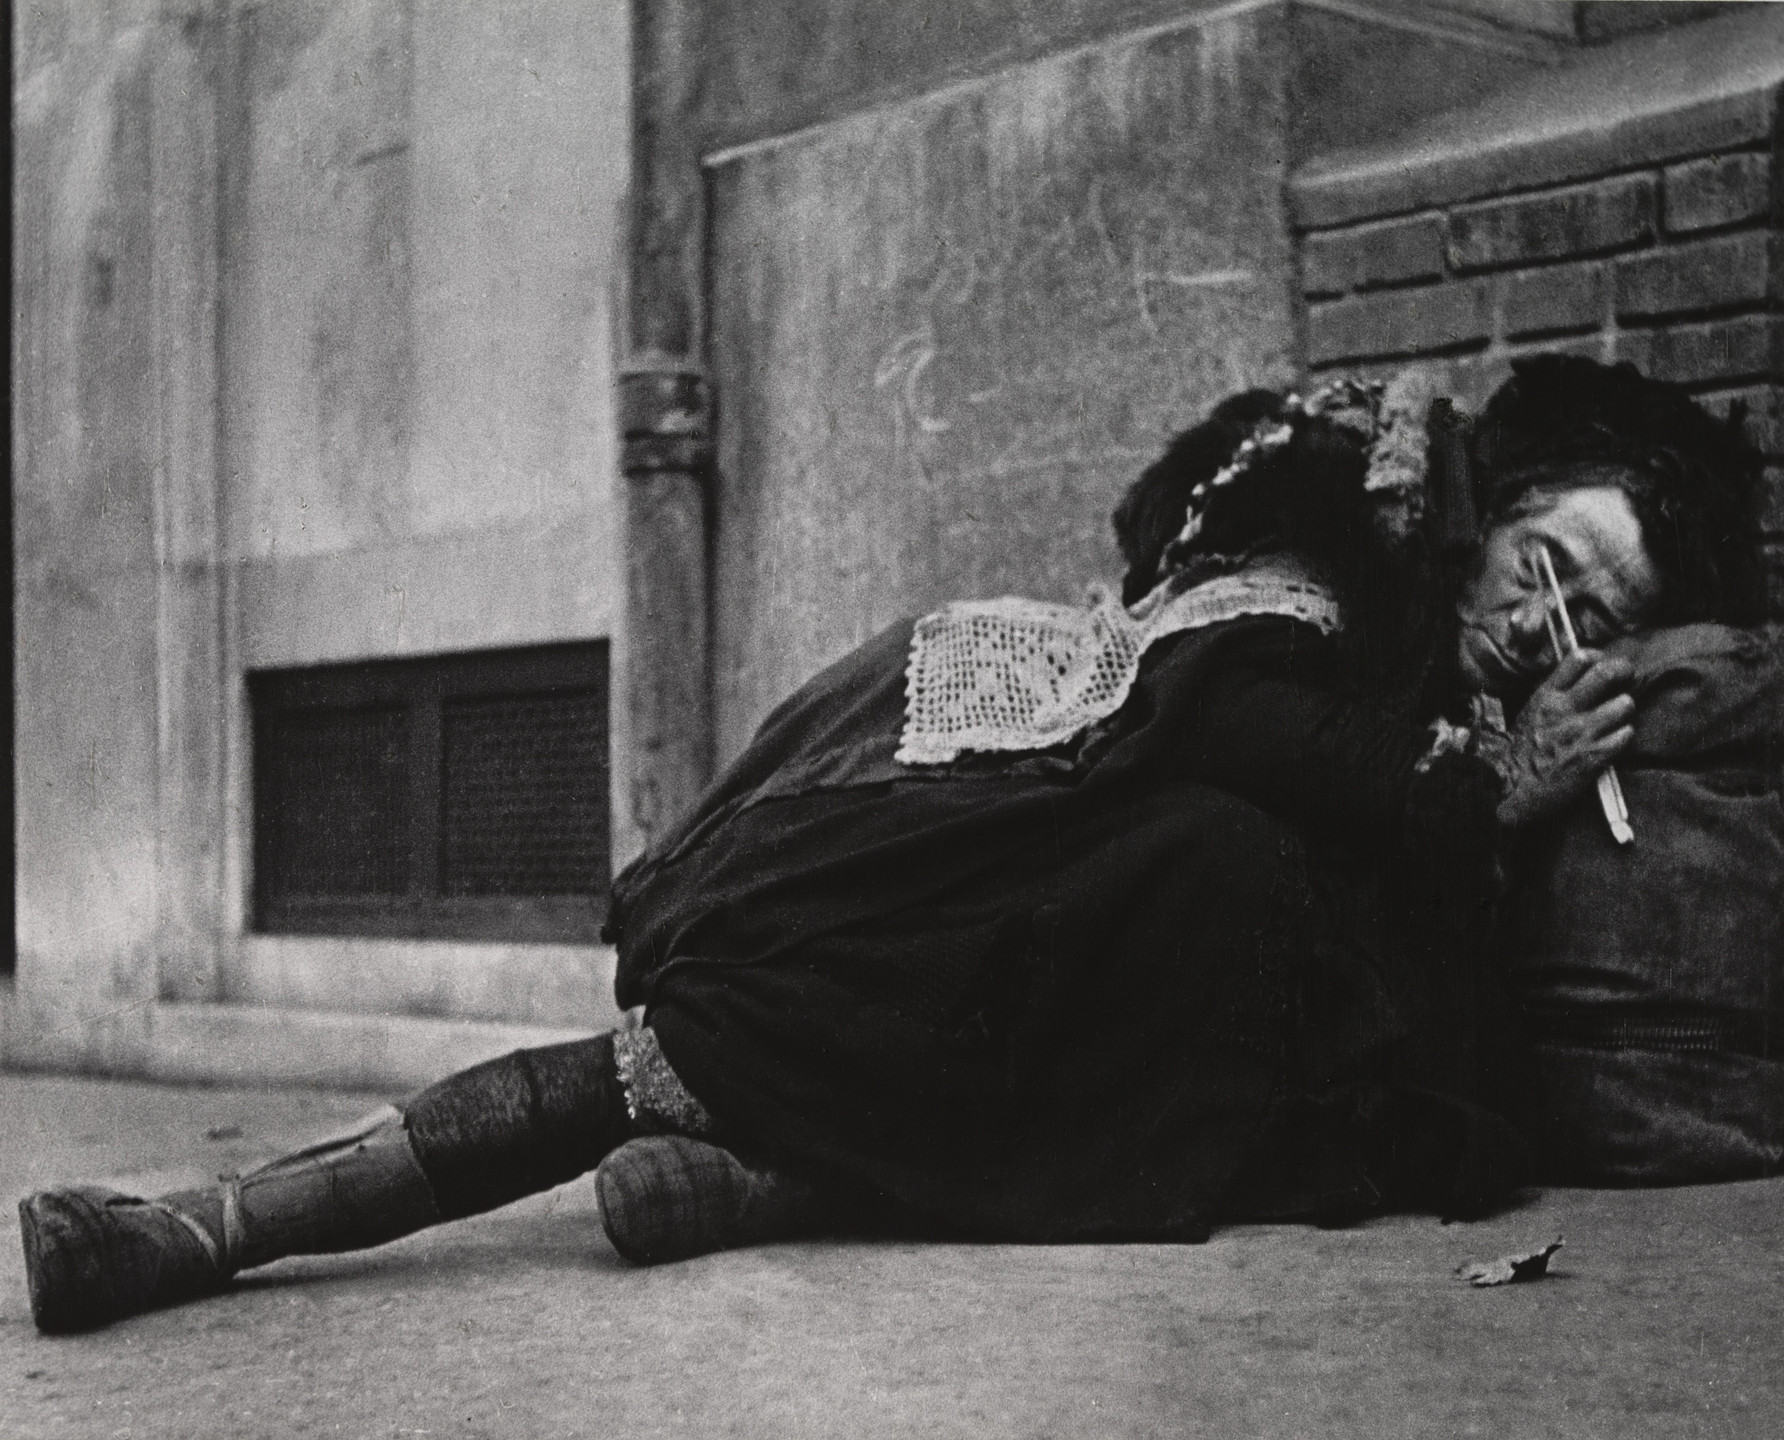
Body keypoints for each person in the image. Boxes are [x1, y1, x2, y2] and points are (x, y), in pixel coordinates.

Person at [18, 355, 1766, 1333]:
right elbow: (1221, 721)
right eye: (1543, 565)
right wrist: (1475, 795)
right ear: (1486, 514)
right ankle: (207, 1228)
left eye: (1588, 616)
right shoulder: (1334, 574)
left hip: (1096, 1013)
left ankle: (784, 1179)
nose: (1547, 624)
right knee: (672, 1063)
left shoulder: (1461, 716)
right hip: (983, 873)